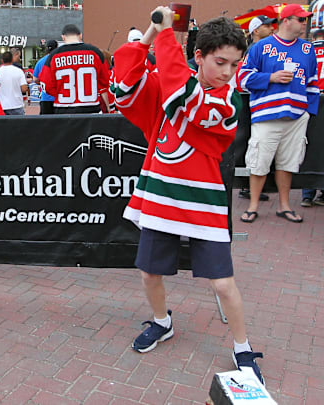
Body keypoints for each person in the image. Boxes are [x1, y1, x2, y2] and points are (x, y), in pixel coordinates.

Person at [111, 8, 264, 383]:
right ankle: (163, 322)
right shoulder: (169, 87)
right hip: (161, 199)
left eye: (234, 63)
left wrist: (166, 36)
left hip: (203, 204)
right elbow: (123, 86)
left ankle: (242, 346)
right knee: (149, 273)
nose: (228, 72)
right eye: (220, 62)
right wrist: (150, 31)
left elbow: (184, 97)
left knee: (223, 283)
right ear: (199, 56)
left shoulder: (228, 103)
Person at [237, 4, 319, 223]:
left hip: (296, 116)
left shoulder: (307, 49)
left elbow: (312, 83)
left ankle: (284, 206)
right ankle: (253, 206)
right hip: (266, 114)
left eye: (305, 20)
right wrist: (270, 78)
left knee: (288, 163)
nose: (304, 24)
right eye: (300, 20)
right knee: (259, 162)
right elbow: (242, 79)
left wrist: (307, 112)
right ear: (286, 21)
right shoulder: (260, 47)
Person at [237, 15, 276, 202]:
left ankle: (250, 185)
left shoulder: (261, 49)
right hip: (250, 103)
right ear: (256, 30)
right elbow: (244, 81)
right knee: (250, 144)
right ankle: (248, 185)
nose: (271, 28)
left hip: (253, 103)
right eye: (266, 26)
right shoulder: (254, 50)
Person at [39, 24, 111, 114]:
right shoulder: (95, 52)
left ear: (63, 37)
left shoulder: (54, 56)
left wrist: (60, 93)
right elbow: (105, 80)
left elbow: (46, 85)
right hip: (91, 109)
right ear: (80, 35)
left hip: (63, 109)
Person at [300, 28, 324, 207]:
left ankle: (307, 193)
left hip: (311, 101)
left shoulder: (306, 52)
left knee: (308, 145)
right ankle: (321, 191)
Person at [33, 40, 58, 114]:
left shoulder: (41, 61)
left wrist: (43, 82)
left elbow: (35, 79)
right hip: (59, 97)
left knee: (46, 123)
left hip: (45, 97)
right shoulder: (60, 59)